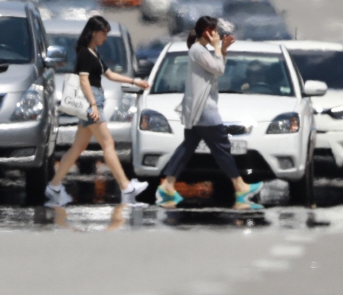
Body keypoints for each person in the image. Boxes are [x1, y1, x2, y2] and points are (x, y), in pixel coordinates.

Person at [156, 16, 264, 210]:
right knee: (222, 147)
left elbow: (215, 67)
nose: (217, 34)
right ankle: (240, 187)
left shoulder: (200, 51)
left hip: (201, 108)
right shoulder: (198, 50)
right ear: (207, 32)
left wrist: (222, 49)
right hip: (205, 109)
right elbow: (219, 69)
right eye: (215, 31)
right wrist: (217, 48)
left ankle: (168, 185)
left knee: (187, 147)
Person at [45, 16, 150, 206]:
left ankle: (54, 185)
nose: (106, 37)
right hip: (90, 102)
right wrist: (93, 105)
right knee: (108, 143)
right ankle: (126, 188)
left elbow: (109, 74)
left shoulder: (93, 53)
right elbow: (84, 80)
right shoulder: (85, 54)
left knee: (78, 147)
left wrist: (134, 81)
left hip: (94, 100)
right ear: (94, 33)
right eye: (104, 33)